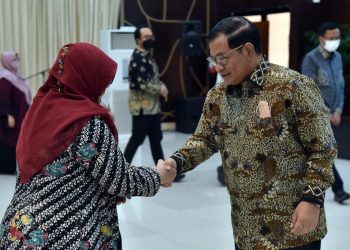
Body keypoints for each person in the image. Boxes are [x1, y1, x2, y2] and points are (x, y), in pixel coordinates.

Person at [164, 17, 337, 250]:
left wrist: (312, 200)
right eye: (213, 59)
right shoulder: (218, 96)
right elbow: (204, 139)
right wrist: (177, 163)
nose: (218, 66)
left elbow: (322, 148)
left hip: (294, 227)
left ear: (247, 49)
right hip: (246, 229)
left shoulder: (293, 86)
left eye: (222, 58)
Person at [0, 43, 175, 249]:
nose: (102, 89)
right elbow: (119, 180)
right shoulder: (86, 122)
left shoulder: (39, 111)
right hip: (62, 236)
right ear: (86, 77)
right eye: (101, 81)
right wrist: (159, 175)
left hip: (20, 230)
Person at [124, 25, 185, 182]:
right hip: (142, 108)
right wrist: (160, 89)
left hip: (152, 107)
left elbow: (152, 79)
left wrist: (160, 85)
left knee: (155, 139)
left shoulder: (147, 55)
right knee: (137, 139)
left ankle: (165, 172)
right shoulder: (137, 57)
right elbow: (142, 84)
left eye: (151, 36)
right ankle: (121, 172)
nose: (151, 39)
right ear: (138, 40)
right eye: (146, 37)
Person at [301, 21, 350, 204]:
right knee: (325, 151)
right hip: (316, 115)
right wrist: (326, 112)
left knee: (318, 153)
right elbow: (308, 91)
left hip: (333, 113)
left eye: (337, 37)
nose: (335, 41)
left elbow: (340, 84)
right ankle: (339, 189)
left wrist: (338, 110)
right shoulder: (311, 59)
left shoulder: (337, 57)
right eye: (331, 38)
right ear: (322, 39)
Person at [0, 52, 31, 174]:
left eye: (18, 59)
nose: (16, 62)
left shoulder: (18, 77)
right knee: (9, 141)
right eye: (14, 59)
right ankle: (6, 167)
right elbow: (2, 97)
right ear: (7, 61)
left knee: (19, 141)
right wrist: (6, 114)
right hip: (10, 118)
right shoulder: (5, 77)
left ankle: (14, 166)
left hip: (20, 116)